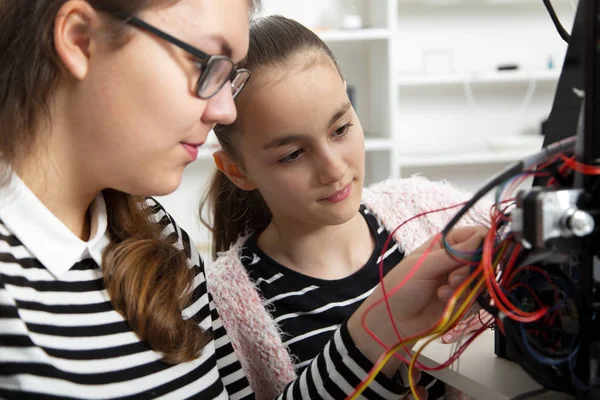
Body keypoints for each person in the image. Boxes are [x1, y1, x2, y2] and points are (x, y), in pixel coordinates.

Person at [0, 1, 485, 399]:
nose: (225, 109)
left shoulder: (155, 237)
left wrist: (378, 325)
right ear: (81, 40)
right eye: (203, 63)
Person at [202, 15, 490, 400]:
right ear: (237, 169)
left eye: (340, 129)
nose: (333, 169)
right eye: (292, 155)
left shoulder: (433, 212)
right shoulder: (225, 309)